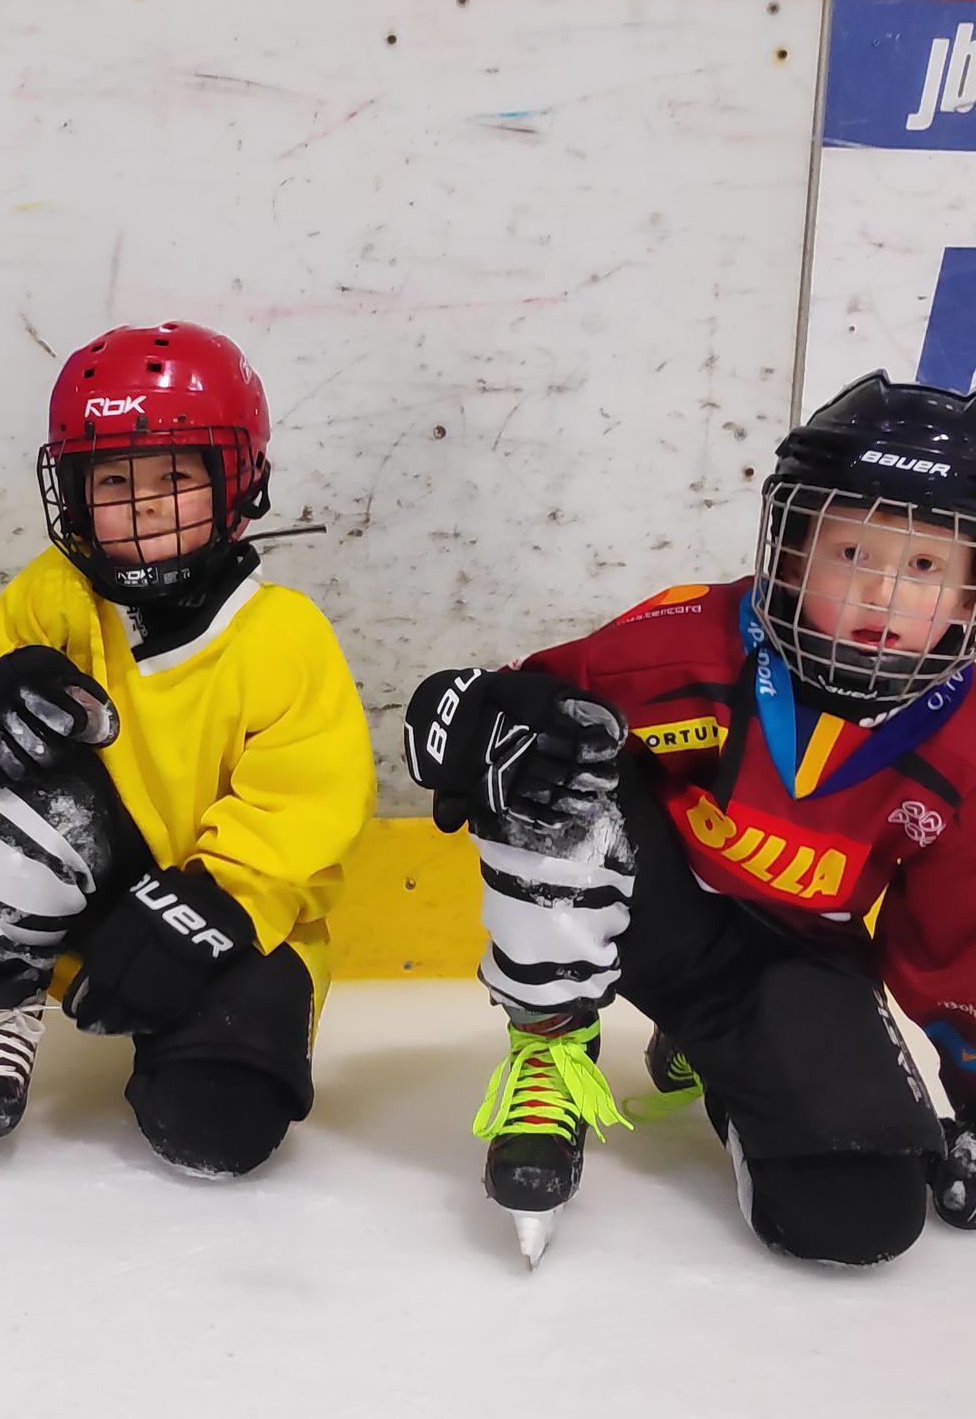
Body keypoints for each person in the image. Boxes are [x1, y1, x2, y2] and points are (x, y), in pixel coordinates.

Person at [403, 373, 976, 1270]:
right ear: (788, 553)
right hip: (650, 915)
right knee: (547, 758)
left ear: (970, 595)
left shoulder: (968, 743)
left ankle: (721, 1060)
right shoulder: (689, 639)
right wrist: (473, 713)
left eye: (924, 567)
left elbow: (955, 942)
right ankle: (550, 1047)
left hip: (797, 960)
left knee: (858, 1221)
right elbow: (522, 703)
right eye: (851, 555)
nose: (881, 599)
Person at [0, 320, 375, 1177]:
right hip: (96, 884)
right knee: (19, 778)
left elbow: (308, 808)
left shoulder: (282, 634)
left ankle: (198, 1034)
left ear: (235, 482)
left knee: (217, 1132)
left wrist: (206, 911)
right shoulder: (54, 593)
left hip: (238, 913)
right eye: (111, 478)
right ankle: (2, 999)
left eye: (172, 476)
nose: (139, 504)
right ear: (72, 491)